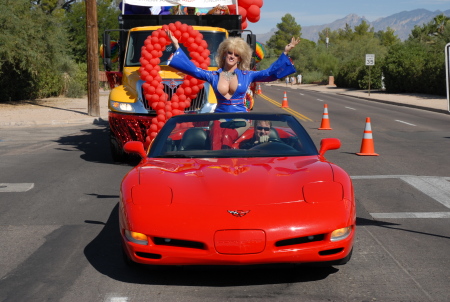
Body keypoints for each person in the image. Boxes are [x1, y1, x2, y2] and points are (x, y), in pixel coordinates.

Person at [166, 31, 300, 113]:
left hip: (241, 119)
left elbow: (269, 73)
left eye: (236, 55)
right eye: (229, 53)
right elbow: (193, 70)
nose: (232, 56)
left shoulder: (248, 75)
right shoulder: (213, 76)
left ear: (240, 58)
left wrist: (285, 52)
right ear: (224, 54)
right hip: (219, 118)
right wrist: (177, 46)